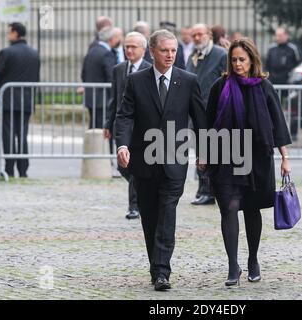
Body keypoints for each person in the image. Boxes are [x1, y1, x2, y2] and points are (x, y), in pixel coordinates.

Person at [115, 30, 207, 291]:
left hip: (174, 161)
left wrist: (205, 151)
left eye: (174, 51)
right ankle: (156, 266)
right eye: (165, 50)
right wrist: (122, 144)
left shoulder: (187, 80)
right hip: (143, 162)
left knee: (167, 214)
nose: (170, 55)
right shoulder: (136, 81)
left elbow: (200, 119)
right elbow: (125, 116)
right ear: (152, 52)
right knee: (150, 218)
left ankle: (162, 271)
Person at [202, 38, 292, 286]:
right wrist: (204, 153)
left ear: (252, 60)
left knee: (251, 209)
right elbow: (208, 124)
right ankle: (233, 265)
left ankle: (253, 259)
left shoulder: (264, 87)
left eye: (242, 59)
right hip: (225, 155)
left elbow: (278, 125)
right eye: (234, 60)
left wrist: (285, 158)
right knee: (229, 207)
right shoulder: (220, 87)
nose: (238, 64)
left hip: (257, 157)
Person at [104, 32, 151, 220]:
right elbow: (114, 99)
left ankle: (134, 206)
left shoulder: (149, 69)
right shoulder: (119, 69)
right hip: (122, 125)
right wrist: (108, 123)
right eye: (126, 47)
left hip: (141, 127)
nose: (129, 50)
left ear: (144, 50)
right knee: (124, 167)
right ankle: (140, 191)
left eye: (133, 47)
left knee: (134, 165)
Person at [186, 23, 227, 206]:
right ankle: (204, 189)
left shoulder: (220, 54)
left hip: (214, 112)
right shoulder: (193, 56)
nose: (196, 38)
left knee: (212, 152)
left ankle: (210, 190)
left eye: (199, 34)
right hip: (196, 112)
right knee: (201, 152)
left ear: (209, 35)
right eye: (193, 35)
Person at [0, 22, 40, 178]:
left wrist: (0, 90)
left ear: (15, 33)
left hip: (8, 101)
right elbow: (36, 78)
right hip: (26, 100)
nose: (8, 35)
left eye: (9, 32)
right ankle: (23, 169)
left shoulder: (6, 52)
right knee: (22, 135)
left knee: (8, 135)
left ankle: (9, 168)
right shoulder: (34, 53)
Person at [81, 26, 120, 129]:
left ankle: (93, 146)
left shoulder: (92, 50)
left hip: (91, 97)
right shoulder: (106, 54)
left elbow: (83, 73)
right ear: (111, 39)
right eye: (116, 37)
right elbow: (112, 76)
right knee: (102, 129)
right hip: (103, 99)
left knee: (93, 128)